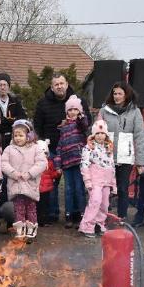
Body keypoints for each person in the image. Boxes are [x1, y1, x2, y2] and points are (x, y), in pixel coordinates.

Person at [34, 73, 91, 223]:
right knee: (51, 184)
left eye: (62, 83)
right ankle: (52, 214)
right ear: (52, 87)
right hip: (52, 149)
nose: (59, 86)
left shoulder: (78, 101)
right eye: (56, 84)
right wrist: (42, 145)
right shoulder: (43, 103)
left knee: (75, 186)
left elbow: (87, 122)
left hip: (75, 152)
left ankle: (76, 213)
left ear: (67, 84)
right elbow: (37, 126)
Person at [97, 81, 144, 219]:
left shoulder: (135, 111)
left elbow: (139, 137)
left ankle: (122, 218)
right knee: (105, 188)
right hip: (106, 157)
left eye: (120, 94)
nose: (116, 96)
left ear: (126, 95)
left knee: (123, 189)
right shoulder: (104, 110)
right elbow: (96, 133)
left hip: (126, 158)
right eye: (114, 93)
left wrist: (140, 162)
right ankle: (103, 217)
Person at [0, 121, 46, 241]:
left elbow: (42, 163)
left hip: (30, 184)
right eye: (16, 135)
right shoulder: (9, 149)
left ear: (28, 136)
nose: (18, 138)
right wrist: (13, 173)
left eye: (21, 135)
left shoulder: (35, 148)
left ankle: (31, 231)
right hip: (16, 185)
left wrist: (30, 173)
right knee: (18, 208)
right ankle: (20, 231)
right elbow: (4, 163)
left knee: (31, 208)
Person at [53, 95, 88, 229]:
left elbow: (84, 125)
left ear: (79, 111)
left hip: (79, 162)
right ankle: (68, 215)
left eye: (75, 109)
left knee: (79, 189)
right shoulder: (63, 127)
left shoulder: (80, 124)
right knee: (68, 190)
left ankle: (81, 215)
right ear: (66, 112)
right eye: (70, 109)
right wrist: (58, 164)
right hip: (67, 165)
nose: (73, 112)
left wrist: (81, 117)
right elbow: (59, 147)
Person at [78, 121, 117, 238]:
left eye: (102, 133)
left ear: (106, 135)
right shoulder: (89, 148)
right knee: (95, 201)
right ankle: (87, 225)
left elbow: (112, 166)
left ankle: (99, 224)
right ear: (94, 135)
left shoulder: (108, 148)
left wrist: (113, 184)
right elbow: (84, 165)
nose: (100, 136)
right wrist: (87, 181)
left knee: (105, 204)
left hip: (107, 181)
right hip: (95, 181)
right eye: (98, 133)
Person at [0, 73, 27, 149]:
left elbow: (22, 119)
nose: (2, 87)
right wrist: (11, 123)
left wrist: (2, 120)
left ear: (9, 86)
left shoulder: (15, 102)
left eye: (5, 85)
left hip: (14, 142)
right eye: (0, 85)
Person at [37, 139, 60, 228]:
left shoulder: (49, 163)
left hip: (46, 189)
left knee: (46, 205)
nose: (43, 155)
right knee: (38, 205)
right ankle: (38, 220)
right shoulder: (35, 164)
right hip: (38, 188)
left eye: (45, 153)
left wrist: (57, 173)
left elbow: (52, 174)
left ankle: (45, 220)